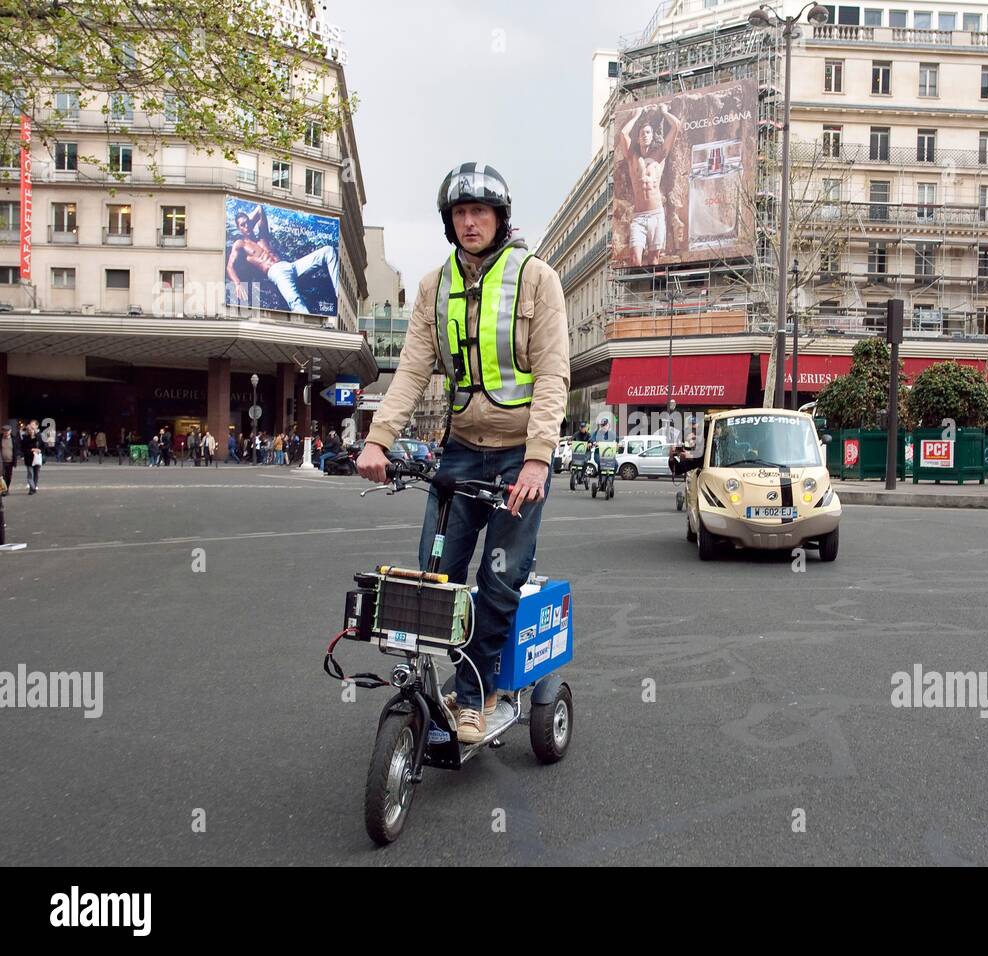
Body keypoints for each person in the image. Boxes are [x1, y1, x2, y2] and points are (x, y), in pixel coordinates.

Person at [356, 162, 570, 744]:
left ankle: (477, 694)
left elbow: (553, 375)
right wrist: (379, 437)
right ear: (450, 223)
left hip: (515, 460)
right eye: (460, 212)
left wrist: (537, 458)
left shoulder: (537, 279)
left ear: (501, 218)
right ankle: (441, 684)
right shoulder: (433, 286)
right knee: (437, 576)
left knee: (500, 579)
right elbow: (409, 372)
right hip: (458, 453)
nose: (470, 221)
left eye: (481, 211)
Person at [226, 204, 340, 314]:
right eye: (242, 225)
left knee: (328, 251)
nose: (246, 227)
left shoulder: (262, 235)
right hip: (277, 273)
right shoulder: (240, 244)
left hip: (291, 266)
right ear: (238, 228)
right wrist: (237, 283)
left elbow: (260, 209)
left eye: (247, 223)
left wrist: (248, 221)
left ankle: (339, 295)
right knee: (297, 304)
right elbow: (230, 266)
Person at [616, 102, 681, 266]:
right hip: (639, 216)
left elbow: (676, 126)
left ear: (652, 136)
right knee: (635, 259)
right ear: (637, 138)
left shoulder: (660, 156)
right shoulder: (633, 158)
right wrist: (636, 115)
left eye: (648, 132)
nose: (645, 135)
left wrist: (665, 112)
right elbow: (623, 133)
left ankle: (653, 290)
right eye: (642, 133)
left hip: (656, 214)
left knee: (654, 260)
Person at [20, 420, 42, 494]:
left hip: (37, 458)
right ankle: (32, 489)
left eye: (32, 428)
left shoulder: (39, 436)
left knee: (37, 474)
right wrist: (31, 449)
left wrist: (39, 450)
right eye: (29, 429)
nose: (31, 430)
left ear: (35, 428)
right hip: (29, 458)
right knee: (30, 474)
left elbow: (43, 446)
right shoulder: (25, 437)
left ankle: (34, 487)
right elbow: (23, 448)